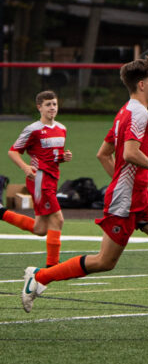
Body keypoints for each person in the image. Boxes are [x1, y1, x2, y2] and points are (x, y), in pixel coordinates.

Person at [20, 57, 148, 334]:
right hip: (126, 200)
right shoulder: (137, 114)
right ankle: (39, 277)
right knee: (104, 262)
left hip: (139, 196)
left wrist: (124, 181)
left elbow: (103, 154)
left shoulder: (126, 112)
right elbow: (130, 153)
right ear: (142, 84)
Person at [3, 90, 73, 268]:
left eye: (54, 104)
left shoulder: (62, 129)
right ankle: (52, 266)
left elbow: (52, 156)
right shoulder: (32, 129)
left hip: (52, 178)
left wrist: (62, 157)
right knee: (58, 219)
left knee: (40, 229)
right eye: (48, 104)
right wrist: (25, 167)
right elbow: (13, 151)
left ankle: (1, 213)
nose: (52, 108)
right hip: (39, 179)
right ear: (39, 107)